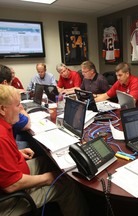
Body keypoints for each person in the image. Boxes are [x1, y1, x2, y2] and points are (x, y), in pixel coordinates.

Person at [0, 84, 89, 215]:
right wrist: (46, 178)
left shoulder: (4, 125)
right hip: (11, 200)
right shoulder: (1, 137)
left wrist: (16, 152)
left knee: (50, 163)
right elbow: (11, 185)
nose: (21, 108)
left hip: (17, 169)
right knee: (67, 186)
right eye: (18, 105)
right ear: (2, 109)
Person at [0, 64, 31, 149]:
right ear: (5, 83)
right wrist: (20, 108)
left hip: (9, 143)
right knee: (32, 144)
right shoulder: (7, 103)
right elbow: (27, 124)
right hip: (8, 145)